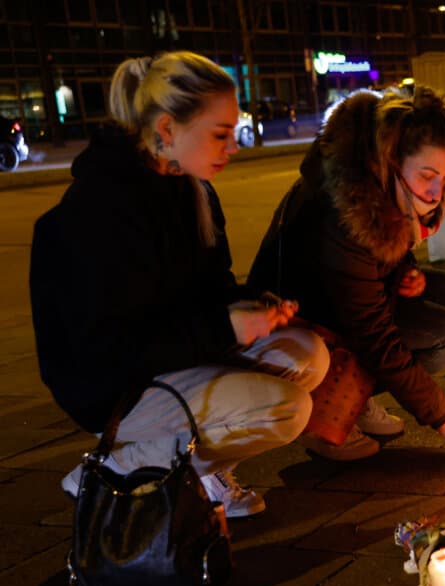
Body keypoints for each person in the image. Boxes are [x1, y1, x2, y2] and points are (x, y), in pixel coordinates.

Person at [30, 51, 330, 518]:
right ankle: (117, 468)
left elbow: (206, 286)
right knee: (285, 409)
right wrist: (225, 330)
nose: (232, 148)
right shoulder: (97, 214)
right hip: (115, 389)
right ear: (167, 130)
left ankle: (203, 471)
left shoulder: (189, 187)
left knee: (307, 354)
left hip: (171, 357)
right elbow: (111, 349)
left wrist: (250, 305)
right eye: (219, 134)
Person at [246, 87, 445, 463]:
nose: (436, 192)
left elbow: (384, 252)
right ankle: (324, 412)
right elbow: (372, 330)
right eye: (427, 175)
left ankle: (359, 395)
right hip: (302, 318)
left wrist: (408, 270)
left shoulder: (384, 180)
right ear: (391, 159)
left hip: (340, 300)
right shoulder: (347, 209)